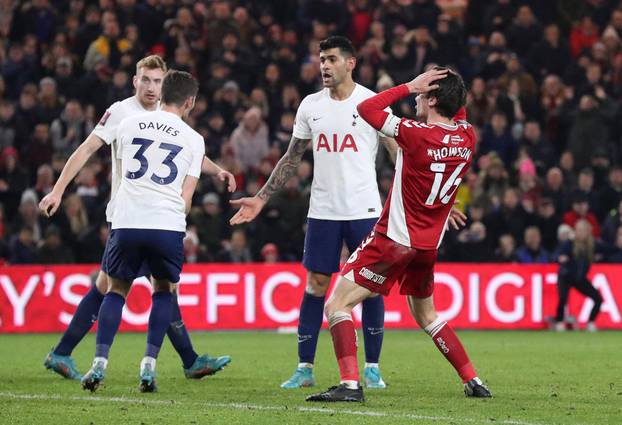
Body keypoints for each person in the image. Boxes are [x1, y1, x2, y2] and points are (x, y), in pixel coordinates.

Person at [39, 56, 234, 381]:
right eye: (145, 80)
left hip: (134, 217)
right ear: (135, 81)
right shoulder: (121, 113)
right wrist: (58, 190)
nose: (151, 87)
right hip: (129, 213)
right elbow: (86, 149)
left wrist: (217, 170)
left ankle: (186, 359)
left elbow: (189, 153)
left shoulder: (157, 125)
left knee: (119, 286)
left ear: (165, 85)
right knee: (152, 287)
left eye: (157, 81)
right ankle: (183, 360)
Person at [304, 67, 491, 402]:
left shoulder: (414, 134)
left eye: (423, 94)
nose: (417, 98)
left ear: (432, 99)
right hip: (427, 246)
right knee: (427, 315)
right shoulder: (467, 136)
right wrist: (445, 84)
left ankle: (349, 385)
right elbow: (456, 107)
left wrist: (408, 85)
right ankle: (473, 380)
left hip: (394, 239)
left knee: (336, 305)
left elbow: (366, 110)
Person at [230, 36, 397, 389]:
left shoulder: (372, 103)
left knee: (370, 286)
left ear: (350, 63)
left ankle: (373, 367)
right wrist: (261, 198)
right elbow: (292, 158)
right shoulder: (310, 106)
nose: (324, 65)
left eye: (332, 59)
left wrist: (415, 196)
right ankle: (305, 368)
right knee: (316, 285)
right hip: (323, 211)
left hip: (365, 209)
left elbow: (396, 152)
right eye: (322, 58)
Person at [79, 70, 207, 392]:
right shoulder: (194, 139)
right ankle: (148, 367)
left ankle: (98, 364)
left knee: (116, 290)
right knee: (163, 290)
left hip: (127, 222)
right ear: (189, 102)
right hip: (166, 224)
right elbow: (186, 199)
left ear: (162, 93)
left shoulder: (127, 125)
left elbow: (120, 176)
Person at [555, 219, 603, 332]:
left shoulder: (592, 245)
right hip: (565, 276)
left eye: (583, 230)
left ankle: (591, 322)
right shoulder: (569, 243)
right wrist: (560, 258)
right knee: (563, 298)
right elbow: (558, 254)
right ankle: (559, 322)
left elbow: (608, 249)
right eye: (578, 230)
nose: (580, 233)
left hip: (579, 279)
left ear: (588, 232)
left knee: (598, 299)